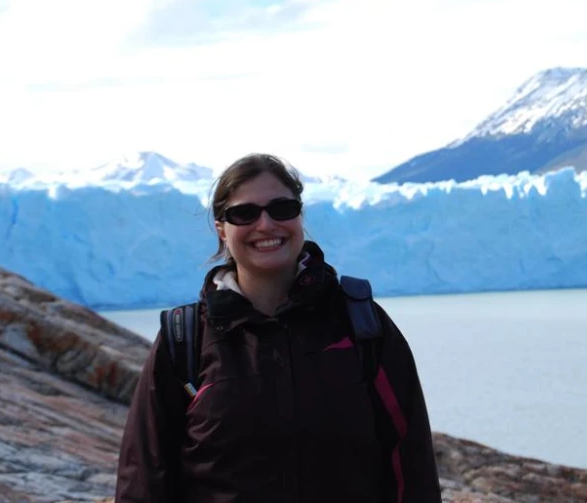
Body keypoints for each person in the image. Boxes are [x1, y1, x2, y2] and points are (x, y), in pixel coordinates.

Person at [115, 153, 441, 503]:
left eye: (282, 208)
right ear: (221, 229)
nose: (266, 225)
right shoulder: (186, 340)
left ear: (299, 216)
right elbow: (146, 478)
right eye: (244, 213)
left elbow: (411, 463)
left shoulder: (360, 324)